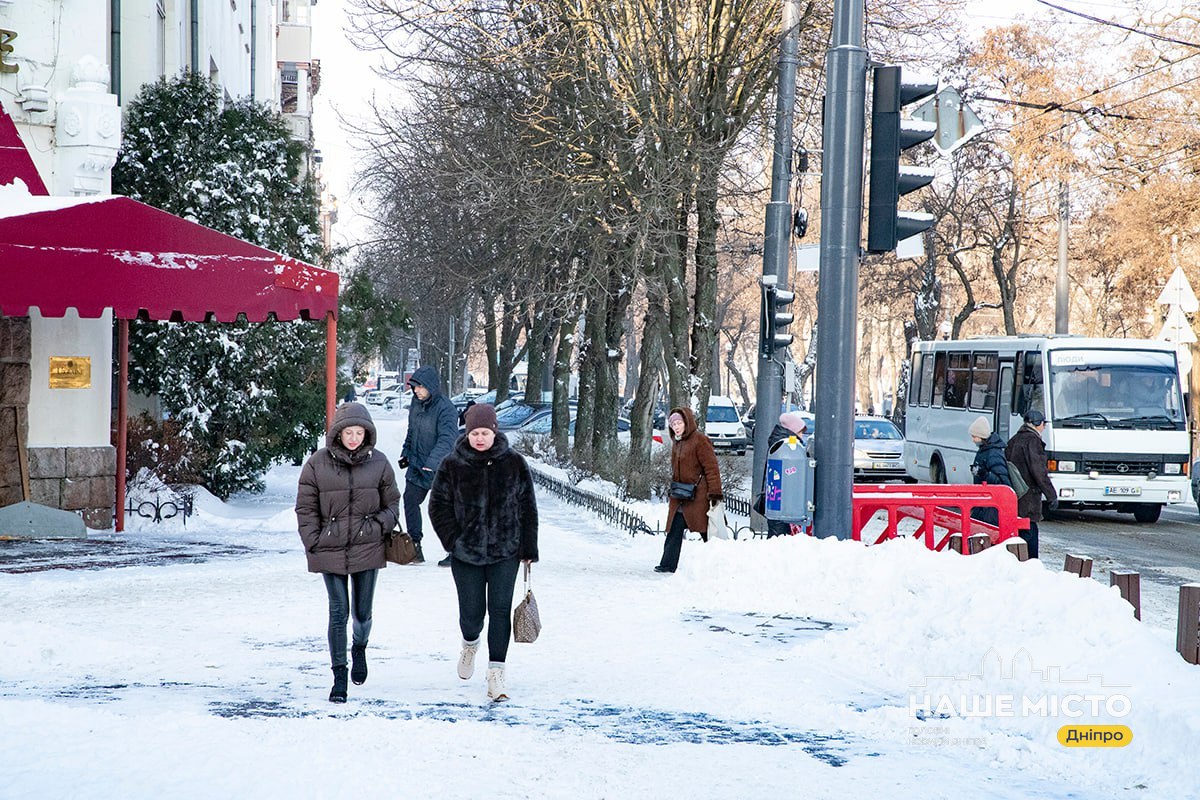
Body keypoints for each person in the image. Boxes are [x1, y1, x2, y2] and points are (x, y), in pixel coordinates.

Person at [429, 404, 539, 703]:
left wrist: (528, 547)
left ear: (494, 432)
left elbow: (528, 506)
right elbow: (437, 506)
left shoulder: (514, 463)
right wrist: (454, 541)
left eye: (485, 433)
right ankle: (469, 643)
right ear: (467, 433)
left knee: (500, 611)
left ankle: (496, 672)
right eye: (474, 433)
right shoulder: (453, 464)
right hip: (467, 554)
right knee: (472, 614)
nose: (480, 438)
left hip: (506, 550)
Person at [295, 402, 400, 703]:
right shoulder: (317, 464)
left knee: (362, 612)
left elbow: (393, 503)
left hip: (368, 547)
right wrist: (313, 539)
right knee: (338, 610)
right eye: (348, 432)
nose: (353, 438)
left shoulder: (379, 463)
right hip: (330, 548)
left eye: (359, 432)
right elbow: (305, 507)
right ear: (337, 433)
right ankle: (339, 676)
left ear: (367, 433)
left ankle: (360, 646)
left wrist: (378, 525)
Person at [399, 365, 459, 565]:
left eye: (420, 387)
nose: (416, 391)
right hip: (417, 465)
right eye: (414, 387)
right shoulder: (416, 404)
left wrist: (432, 463)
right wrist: (406, 453)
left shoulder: (446, 408)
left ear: (431, 387)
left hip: (441, 469)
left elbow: (447, 439)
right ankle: (415, 546)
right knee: (410, 500)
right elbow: (411, 432)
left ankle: (455, 551)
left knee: (443, 510)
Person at [656, 406, 723, 573]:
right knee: (674, 529)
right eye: (673, 424)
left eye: (679, 423)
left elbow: (711, 468)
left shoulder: (700, 440)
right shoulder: (677, 442)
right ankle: (667, 564)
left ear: (687, 422)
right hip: (680, 495)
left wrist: (714, 493)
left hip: (698, 497)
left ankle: (720, 562)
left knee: (707, 531)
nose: (676, 427)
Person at [1005, 409, 1057, 559]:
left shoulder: (1014, 439)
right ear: (1036, 423)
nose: (1044, 427)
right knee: (1030, 532)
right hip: (1029, 496)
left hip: (1017, 494)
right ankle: (1031, 565)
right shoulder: (1033, 441)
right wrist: (1051, 495)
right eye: (1043, 423)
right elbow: (1039, 471)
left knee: (1020, 531)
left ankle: (1019, 560)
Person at [759, 410, 810, 538]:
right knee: (780, 535)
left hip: (776, 499)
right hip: (784, 502)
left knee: (777, 533)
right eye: (800, 432)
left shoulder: (779, 443)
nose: (802, 435)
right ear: (792, 431)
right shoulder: (789, 447)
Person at [968, 415, 1010, 527]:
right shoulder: (985, 450)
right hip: (984, 503)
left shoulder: (993, 453)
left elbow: (1003, 482)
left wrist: (985, 474)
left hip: (991, 506)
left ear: (982, 436)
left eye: (974, 436)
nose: (973, 440)